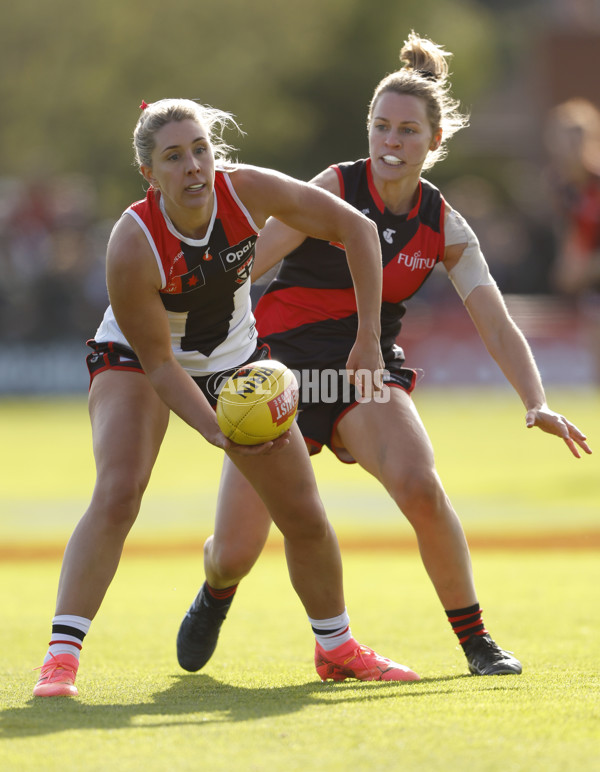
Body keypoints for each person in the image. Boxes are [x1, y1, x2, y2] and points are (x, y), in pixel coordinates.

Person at [176, 32, 592, 679]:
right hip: (279, 369)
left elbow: (497, 322)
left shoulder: (445, 225)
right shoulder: (332, 188)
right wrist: (184, 311)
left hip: (363, 371)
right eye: (381, 128)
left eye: (406, 131)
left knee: (422, 488)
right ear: (369, 132)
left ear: (433, 141)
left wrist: (536, 401)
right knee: (234, 549)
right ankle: (215, 589)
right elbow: (250, 262)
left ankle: (477, 643)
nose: (391, 142)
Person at [32, 98, 422, 698]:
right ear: (150, 174)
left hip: (236, 363)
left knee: (304, 516)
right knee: (118, 493)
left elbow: (358, 229)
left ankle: (337, 647)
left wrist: (368, 337)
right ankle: (60, 661)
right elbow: (161, 365)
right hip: (140, 359)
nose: (192, 167)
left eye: (200, 150)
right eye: (173, 157)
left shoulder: (247, 191)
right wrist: (218, 429)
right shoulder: (133, 242)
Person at [544, 97, 600, 384]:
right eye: (564, 140)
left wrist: (587, 266)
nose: (570, 148)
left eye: (577, 139)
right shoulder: (563, 189)